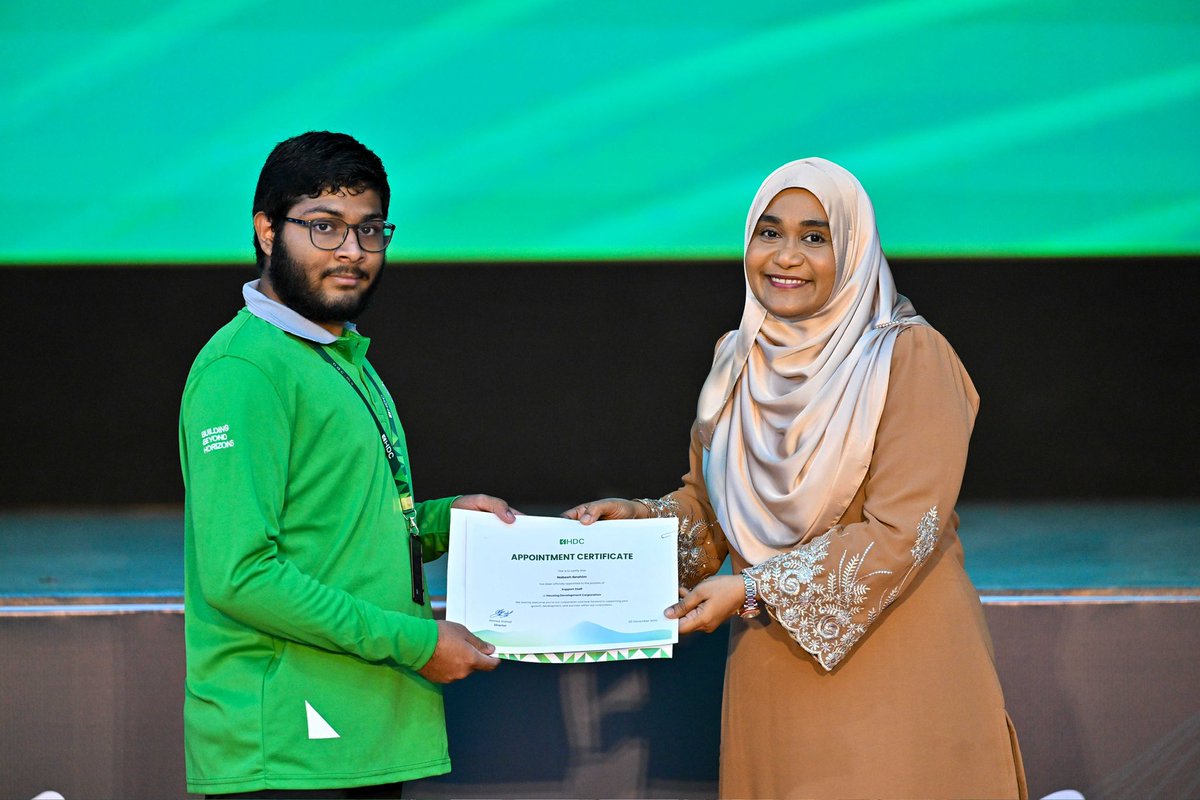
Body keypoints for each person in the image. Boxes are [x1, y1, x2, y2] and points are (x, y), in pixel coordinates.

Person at [565, 158, 1027, 798]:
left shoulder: (909, 356)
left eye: (816, 236)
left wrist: (754, 591)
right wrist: (636, 524)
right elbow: (711, 509)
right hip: (770, 668)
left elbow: (901, 533)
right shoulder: (738, 359)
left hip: (895, 670)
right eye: (768, 232)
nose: (787, 257)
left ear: (856, 248)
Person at [179, 131, 517, 798]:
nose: (352, 252)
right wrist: (418, 642)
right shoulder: (244, 369)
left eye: (370, 230)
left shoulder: (337, 356)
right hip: (289, 748)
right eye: (325, 228)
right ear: (268, 231)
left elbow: (334, 529)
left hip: (362, 734)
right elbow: (242, 575)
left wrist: (444, 521)